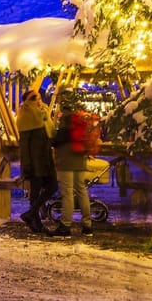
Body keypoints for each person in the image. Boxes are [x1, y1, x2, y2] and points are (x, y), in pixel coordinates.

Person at [49, 98, 97, 237]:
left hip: (67, 161)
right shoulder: (81, 121)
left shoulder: (66, 121)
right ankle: (87, 225)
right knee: (82, 191)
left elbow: (57, 140)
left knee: (67, 193)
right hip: (80, 160)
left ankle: (65, 225)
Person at [14, 88, 55, 234]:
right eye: (34, 98)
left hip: (46, 158)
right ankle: (35, 222)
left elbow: (50, 135)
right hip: (35, 160)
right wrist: (27, 165)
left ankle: (31, 214)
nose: (38, 100)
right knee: (35, 192)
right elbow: (24, 145)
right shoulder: (26, 116)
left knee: (53, 186)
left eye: (38, 97)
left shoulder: (43, 114)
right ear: (28, 101)